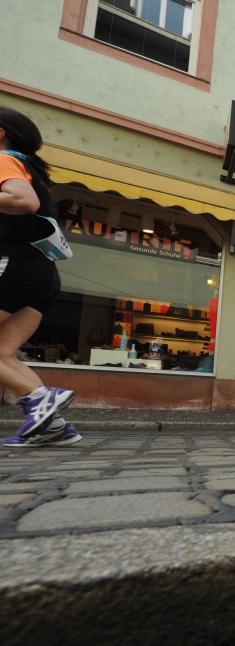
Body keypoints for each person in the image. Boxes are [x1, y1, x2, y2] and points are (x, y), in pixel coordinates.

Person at [0, 107, 79, 446]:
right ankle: (53, 426)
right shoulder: (32, 170)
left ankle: (38, 401)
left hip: (13, 266)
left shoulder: (4, 161)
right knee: (3, 354)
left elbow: (22, 201)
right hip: (41, 272)